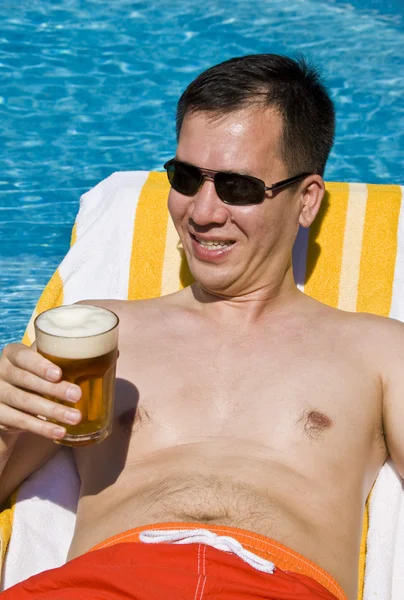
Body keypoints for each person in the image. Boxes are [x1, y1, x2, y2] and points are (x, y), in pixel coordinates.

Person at [0, 53, 402, 600]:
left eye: (237, 187)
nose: (203, 212)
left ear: (306, 200)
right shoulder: (96, 331)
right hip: (97, 585)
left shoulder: (379, 350)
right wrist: (5, 420)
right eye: (186, 179)